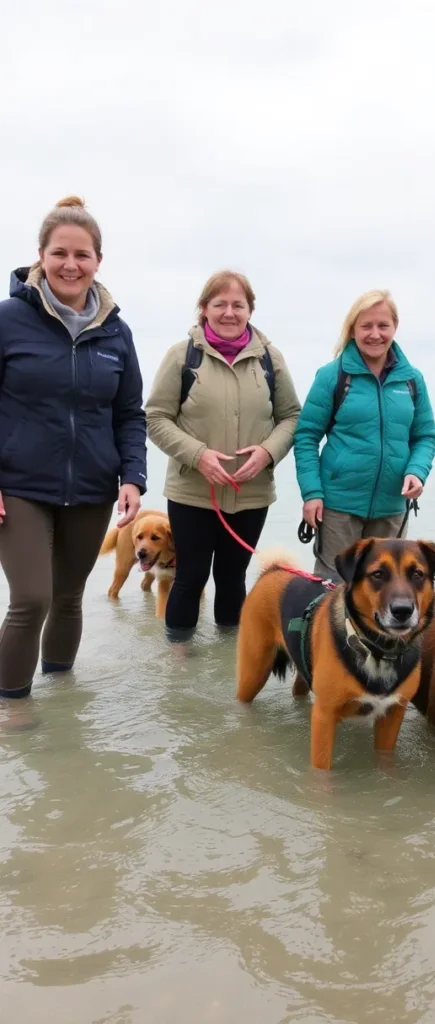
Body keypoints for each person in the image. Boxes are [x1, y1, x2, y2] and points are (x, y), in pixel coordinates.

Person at [0, 196, 147, 700]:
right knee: (31, 598)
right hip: (19, 486)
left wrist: (132, 476)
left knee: (68, 597)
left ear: (97, 261)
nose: (70, 264)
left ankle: (61, 701)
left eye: (82, 255)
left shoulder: (117, 333)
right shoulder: (8, 320)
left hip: (91, 487)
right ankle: (12, 708)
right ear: (40, 256)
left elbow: (130, 413)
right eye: (60, 253)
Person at [145, 270, 301, 638]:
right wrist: (198, 455)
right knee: (190, 577)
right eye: (220, 304)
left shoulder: (270, 359)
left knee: (233, 578)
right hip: (192, 492)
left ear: (250, 310)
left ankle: (229, 662)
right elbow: (155, 417)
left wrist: (267, 453)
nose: (229, 312)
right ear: (203, 309)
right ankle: (180, 670)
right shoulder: (181, 356)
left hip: (252, 493)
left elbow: (292, 417)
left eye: (238, 305)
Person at [294, 288, 435, 581]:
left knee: (385, 591)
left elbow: (424, 436)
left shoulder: (412, 380)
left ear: (394, 327)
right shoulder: (332, 376)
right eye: (366, 326)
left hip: (392, 506)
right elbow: (306, 436)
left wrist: (417, 472)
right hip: (337, 508)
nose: (375, 334)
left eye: (383, 325)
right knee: (331, 589)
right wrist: (312, 493)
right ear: (352, 330)